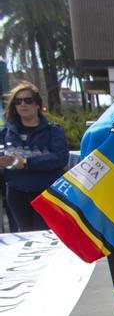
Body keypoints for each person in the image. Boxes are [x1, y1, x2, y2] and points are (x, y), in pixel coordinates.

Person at [0, 83, 68, 232]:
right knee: (23, 237)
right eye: (18, 102)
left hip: (46, 195)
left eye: (28, 100)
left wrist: (26, 162)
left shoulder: (53, 131)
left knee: (44, 236)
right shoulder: (5, 133)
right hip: (16, 194)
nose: (23, 104)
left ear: (37, 104)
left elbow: (61, 158)